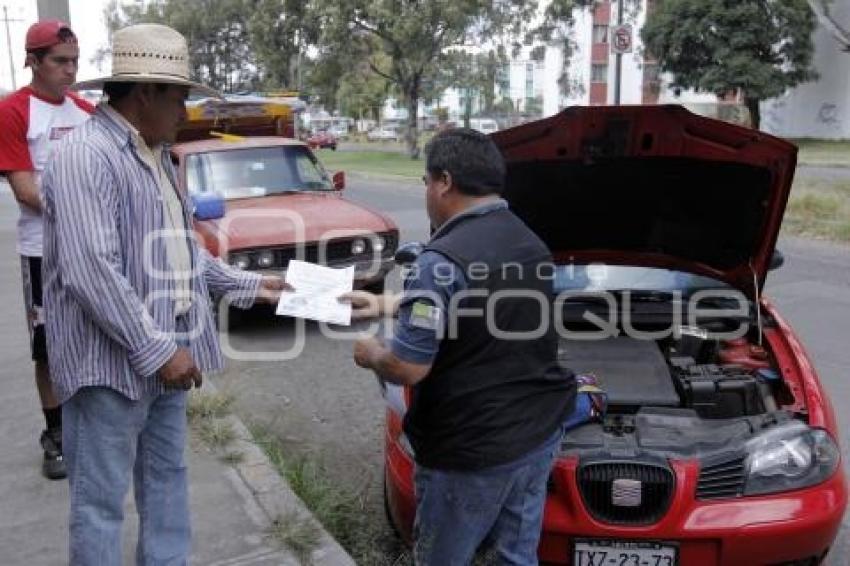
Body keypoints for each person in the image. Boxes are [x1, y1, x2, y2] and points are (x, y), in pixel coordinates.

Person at [41, 23, 287, 564]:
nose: (185, 112)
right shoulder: (87, 156)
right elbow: (91, 271)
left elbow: (183, 255)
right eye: (179, 98)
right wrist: (158, 351)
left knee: (167, 480)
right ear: (145, 93)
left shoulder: (156, 155)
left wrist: (257, 284)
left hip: (166, 348)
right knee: (100, 503)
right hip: (110, 362)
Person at [348, 128, 576, 565]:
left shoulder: (441, 260)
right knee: (515, 556)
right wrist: (384, 303)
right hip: (538, 433)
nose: (426, 192)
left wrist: (370, 353)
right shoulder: (529, 241)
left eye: (426, 181)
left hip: (472, 450)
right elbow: (478, 305)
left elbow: (408, 367)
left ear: (445, 182)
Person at [0, 20, 93, 480]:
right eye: (60, 61)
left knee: (95, 335)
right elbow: (24, 189)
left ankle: (90, 427)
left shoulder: (85, 111)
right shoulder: (14, 111)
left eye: (75, 61)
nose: (71, 71)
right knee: (49, 348)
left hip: (90, 247)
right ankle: (55, 434)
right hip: (42, 251)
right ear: (33, 61)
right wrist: (82, 206)